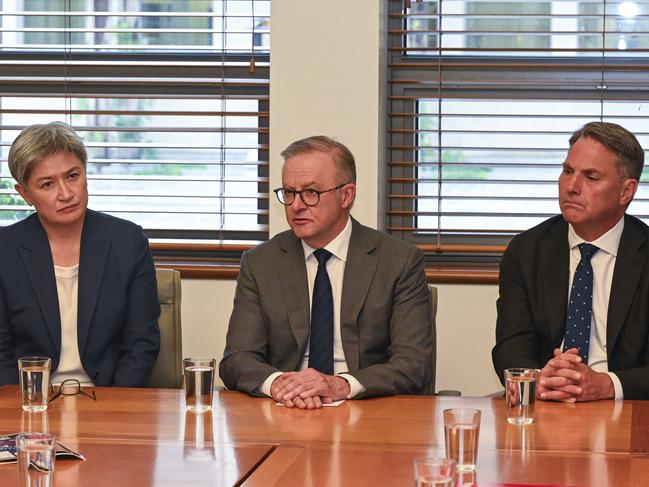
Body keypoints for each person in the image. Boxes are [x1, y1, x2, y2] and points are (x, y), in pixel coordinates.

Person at [219, 135, 434, 409]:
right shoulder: (262, 262)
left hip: (365, 410)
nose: (296, 205)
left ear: (346, 195)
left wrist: (340, 385)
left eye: (311, 192)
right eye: (289, 192)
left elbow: (413, 364)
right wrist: (279, 383)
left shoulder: (398, 261)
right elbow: (237, 358)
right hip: (287, 408)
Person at [493, 121, 649, 401]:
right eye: (567, 171)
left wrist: (607, 384)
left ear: (626, 192)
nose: (572, 187)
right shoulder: (527, 251)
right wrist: (539, 379)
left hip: (627, 411)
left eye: (591, 177)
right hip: (545, 402)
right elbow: (510, 345)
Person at [0, 122, 160, 387]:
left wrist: (115, 408)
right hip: (29, 401)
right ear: (25, 194)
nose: (66, 194)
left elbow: (141, 345)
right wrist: (26, 410)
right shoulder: (5, 250)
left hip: (109, 399)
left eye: (73, 176)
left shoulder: (128, 242)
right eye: (48, 184)